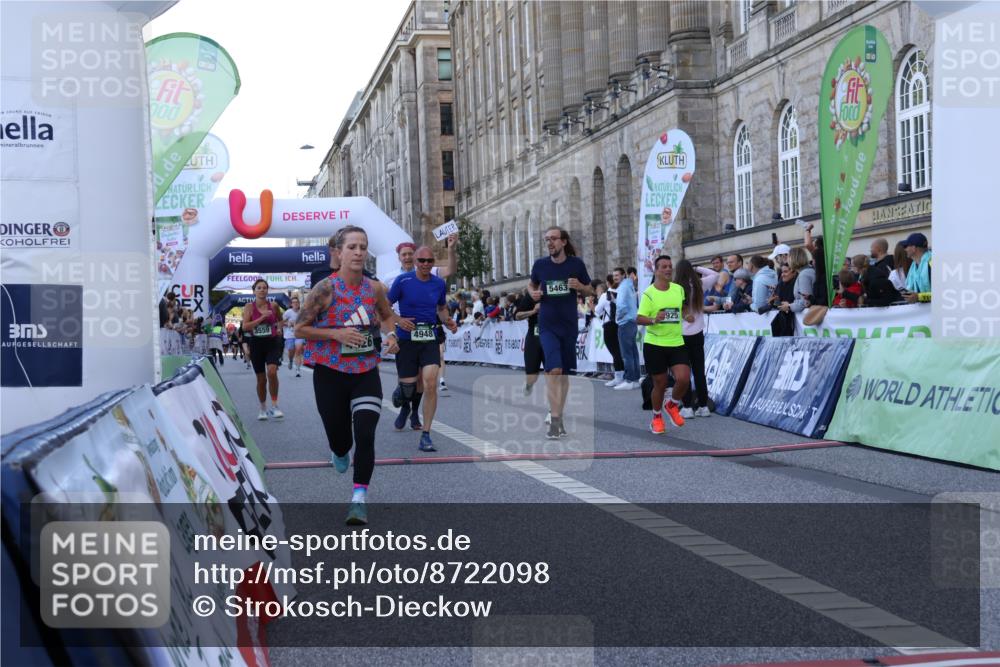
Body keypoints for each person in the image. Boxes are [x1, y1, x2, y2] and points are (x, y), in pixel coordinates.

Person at [295, 225, 414, 525]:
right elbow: (299, 328)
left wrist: (390, 336)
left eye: (363, 246)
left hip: (364, 370)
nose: (359, 252)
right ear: (339, 252)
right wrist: (336, 334)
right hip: (330, 373)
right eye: (352, 247)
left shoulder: (374, 289)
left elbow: (386, 315)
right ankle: (338, 450)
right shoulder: (325, 289)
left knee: (365, 432)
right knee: (341, 439)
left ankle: (358, 498)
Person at [387, 246, 458, 452]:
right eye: (422, 260)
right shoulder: (402, 281)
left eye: (429, 261)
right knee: (409, 387)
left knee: (429, 383)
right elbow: (385, 306)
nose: (426, 264)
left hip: (429, 338)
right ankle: (404, 399)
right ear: (415, 262)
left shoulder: (438, 283)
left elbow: (442, 307)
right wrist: (399, 320)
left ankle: (426, 434)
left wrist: (448, 321)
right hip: (407, 339)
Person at [529, 226, 593, 439]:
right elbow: (531, 285)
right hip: (547, 325)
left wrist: (580, 286)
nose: (550, 243)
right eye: (547, 239)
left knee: (563, 373)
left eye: (554, 239)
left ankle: (558, 414)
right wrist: (534, 294)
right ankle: (554, 420)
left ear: (564, 242)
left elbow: (590, 289)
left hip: (568, 325)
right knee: (553, 370)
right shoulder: (540, 265)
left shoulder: (576, 264)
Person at [636, 255, 689, 433]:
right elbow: (638, 318)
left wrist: (685, 315)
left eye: (669, 266)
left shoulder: (679, 289)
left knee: (683, 379)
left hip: (676, 342)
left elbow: (680, 309)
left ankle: (672, 405)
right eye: (664, 267)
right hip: (655, 343)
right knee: (660, 384)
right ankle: (657, 418)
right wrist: (653, 319)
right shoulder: (649, 294)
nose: (668, 269)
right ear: (656, 271)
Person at [673, 259, 717, 419]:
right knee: (699, 371)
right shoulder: (699, 284)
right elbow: (715, 274)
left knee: (683, 373)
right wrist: (697, 267)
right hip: (698, 334)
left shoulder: (674, 288)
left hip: (681, 335)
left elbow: (671, 313)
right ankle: (703, 406)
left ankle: (686, 407)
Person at [242, 279, 284, 421]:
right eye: (259, 288)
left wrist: (279, 329)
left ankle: (275, 405)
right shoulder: (249, 307)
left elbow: (280, 319)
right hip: (256, 345)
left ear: (267, 290)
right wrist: (261, 318)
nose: (262, 290)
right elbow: (245, 327)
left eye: (264, 288)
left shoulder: (273, 305)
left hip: (272, 343)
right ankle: (263, 408)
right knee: (261, 379)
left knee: (272, 372)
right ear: (254, 291)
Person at [595, 267, 625, 387]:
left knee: (614, 351)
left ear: (608, 283)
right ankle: (622, 375)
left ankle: (619, 376)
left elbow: (597, 310)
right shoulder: (623, 293)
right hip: (621, 323)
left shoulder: (604, 295)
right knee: (620, 350)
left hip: (609, 325)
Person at [614, 267, 641, 391]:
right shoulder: (630, 286)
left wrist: (618, 318)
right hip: (632, 321)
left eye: (617, 275)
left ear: (624, 275)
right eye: (614, 275)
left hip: (625, 322)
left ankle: (629, 379)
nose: (615, 277)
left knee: (627, 353)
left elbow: (621, 306)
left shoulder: (623, 287)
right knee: (633, 351)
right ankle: (635, 378)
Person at [515, 287, 543, 395]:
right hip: (534, 337)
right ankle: (529, 383)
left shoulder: (556, 293)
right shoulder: (532, 295)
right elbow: (517, 315)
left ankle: (554, 408)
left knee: (554, 371)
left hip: (551, 336)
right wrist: (534, 311)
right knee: (532, 374)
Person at [863, 238, 900, 307]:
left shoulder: (885, 264)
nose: (870, 250)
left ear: (878, 249)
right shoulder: (880, 264)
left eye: (872, 248)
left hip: (889, 306)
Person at [902, 232, 932, 302]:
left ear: (913, 248)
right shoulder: (914, 266)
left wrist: (919, 297)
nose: (905, 249)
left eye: (906, 246)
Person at [786, 247, 815, 314]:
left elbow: (805, 302)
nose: (787, 261)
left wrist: (789, 306)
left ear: (793, 258)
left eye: (788, 257)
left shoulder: (804, 274)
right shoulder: (805, 272)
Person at [282, 296, 305, 377]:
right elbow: (281, 323)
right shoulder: (288, 312)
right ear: (291, 304)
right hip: (290, 335)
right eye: (294, 302)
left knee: (298, 349)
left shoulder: (302, 312)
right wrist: (288, 323)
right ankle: (291, 360)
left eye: (297, 302)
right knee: (291, 350)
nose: (295, 304)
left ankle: (298, 370)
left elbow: (306, 322)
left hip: (299, 334)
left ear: (299, 304)